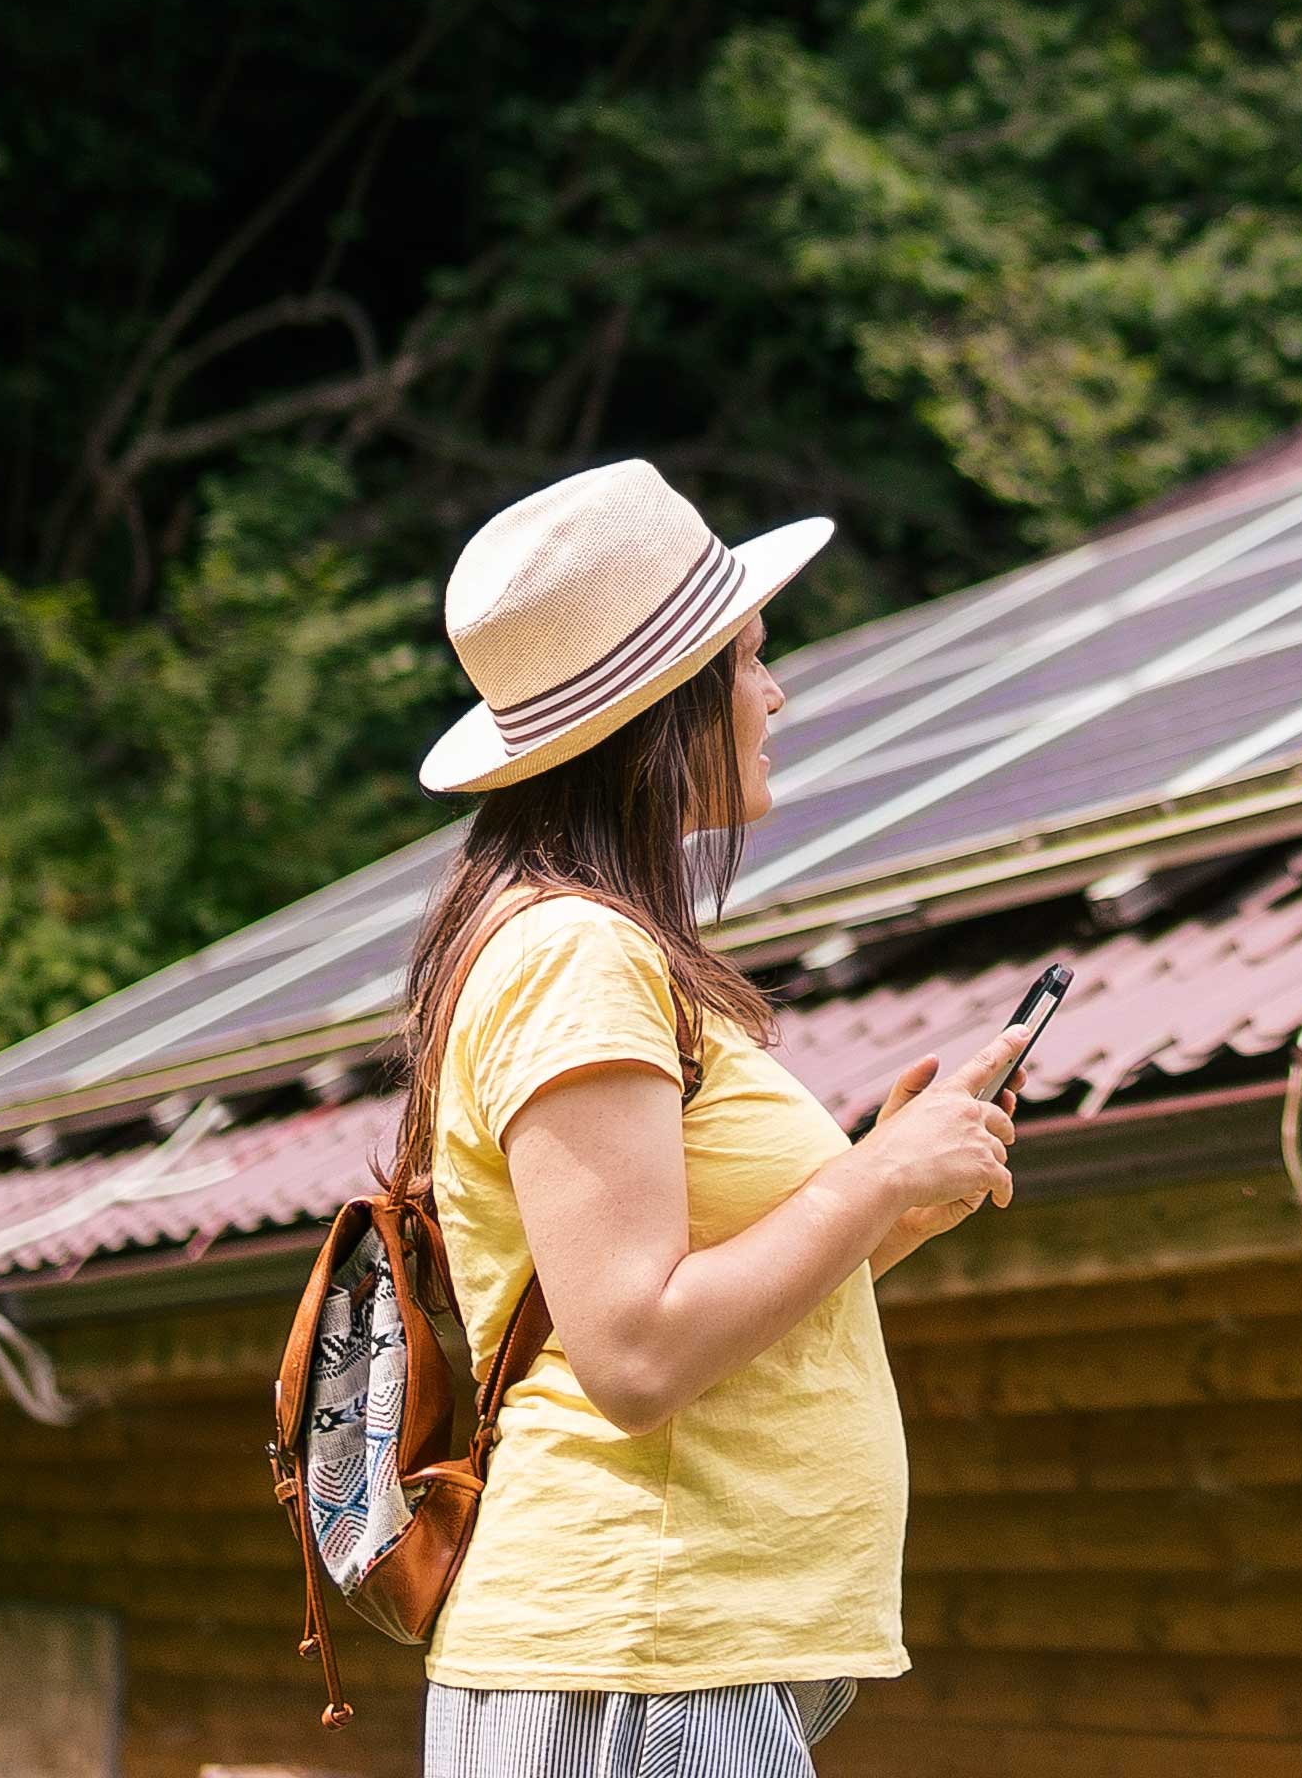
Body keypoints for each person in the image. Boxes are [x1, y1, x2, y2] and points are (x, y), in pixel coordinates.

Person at [394, 460, 1022, 1777]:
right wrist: (873, 1178)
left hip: (659, 1654)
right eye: (748, 661)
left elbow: (681, 1315)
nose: (776, 692)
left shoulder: (581, 942)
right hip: (643, 1647)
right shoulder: (575, 953)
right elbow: (630, 1355)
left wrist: (894, 1199)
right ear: (661, 710)